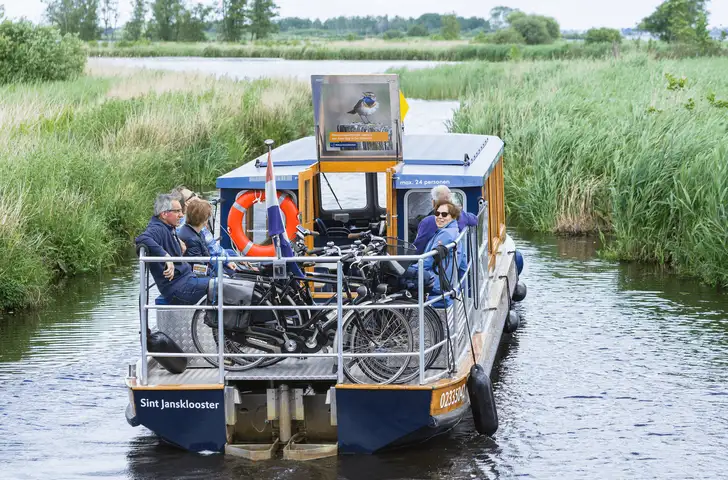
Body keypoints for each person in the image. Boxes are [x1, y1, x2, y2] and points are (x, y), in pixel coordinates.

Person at [135, 194, 209, 305]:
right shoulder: (157, 228)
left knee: (225, 282)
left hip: (187, 278)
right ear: (164, 214)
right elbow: (142, 238)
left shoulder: (169, 227)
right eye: (177, 211)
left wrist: (177, 240)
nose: (181, 215)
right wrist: (166, 257)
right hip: (178, 288)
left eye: (181, 211)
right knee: (222, 286)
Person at [422, 200, 468, 308]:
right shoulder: (455, 231)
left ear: (453, 217)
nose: (439, 217)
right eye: (437, 213)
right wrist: (459, 286)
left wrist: (405, 270)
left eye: (444, 214)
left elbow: (427, 262)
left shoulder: (446, 234)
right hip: (445, 287)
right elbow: (463, 265)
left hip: (435, 286)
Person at [413, 185, 477, 254]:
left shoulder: (428, 221)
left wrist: (409, 259)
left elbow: (418, 247)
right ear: (450, 200)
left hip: (435, 258)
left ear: (433, 202)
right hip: (456, 255)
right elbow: (474, 220)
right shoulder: (461, 215)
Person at [178, 199, 215, 276]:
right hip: (193, 276)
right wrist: (215, 274)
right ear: (204, 219)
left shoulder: (193, 231)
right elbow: (197, 268)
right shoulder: (192, 239)